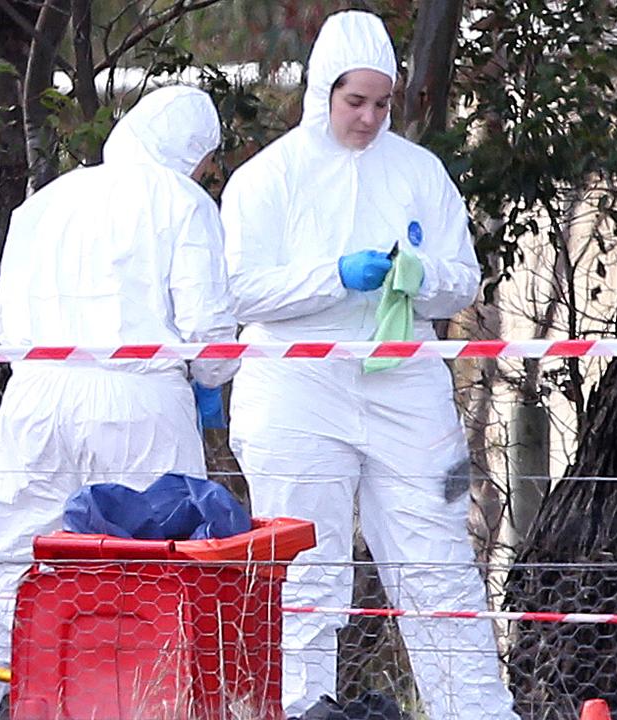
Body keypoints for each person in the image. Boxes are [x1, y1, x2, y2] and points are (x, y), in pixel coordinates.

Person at [219, 11, 516, 719]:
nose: (370, 117)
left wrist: (415, 276)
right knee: (301, 567)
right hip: (296, 386)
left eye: (383, 103)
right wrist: (333, 276)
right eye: (356, 101)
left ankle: (474, 711)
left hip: (403, 384)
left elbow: (462, 279)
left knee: (437, 560)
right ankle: (297, 710)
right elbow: (238, 287)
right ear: (323, 91)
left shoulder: (418, 172)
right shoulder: (270, 178)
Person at [0, 86, 237, 682]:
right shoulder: (181, 200)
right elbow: (207, 328)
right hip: (137, 402)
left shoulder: (45, 203)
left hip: (35, 396)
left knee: (18, 556)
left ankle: (14, 686)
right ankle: (135, 693)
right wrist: (211, 380)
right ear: (191, 150)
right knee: (149, 564)